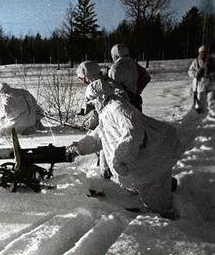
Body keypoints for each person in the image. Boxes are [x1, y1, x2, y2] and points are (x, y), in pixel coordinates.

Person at [66, 80, 181, 219]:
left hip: (152, 153)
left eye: (91, 100)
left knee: (150, 187)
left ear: (100, 97)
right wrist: (78, 147)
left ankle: (164, 221)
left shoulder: (117, 108)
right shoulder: (107, 110)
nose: (90, 104)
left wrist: (120, 159)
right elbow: (98, 137)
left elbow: (134, 132)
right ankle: (165, 209)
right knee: (159, 185)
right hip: (158, 149)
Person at [108, 43, 151, 112]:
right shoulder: (134, 64)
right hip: (136, 100)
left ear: (115, 54)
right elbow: (147, 77)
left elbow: (111, 86)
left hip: (123, 103)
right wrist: (138, 89)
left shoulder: (115, 68)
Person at [188, 45, 215, 114]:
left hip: (210, 83)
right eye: (202, 52)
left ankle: (211, 114)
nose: (203, 54)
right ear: (199, 53)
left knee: (211, 99)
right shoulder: (195, 62)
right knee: (200, 100)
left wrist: (211, 73)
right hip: (200, 84)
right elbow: (190, 71)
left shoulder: (211, 61)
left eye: (205, 52)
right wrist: (196, 74)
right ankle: (200, 114)